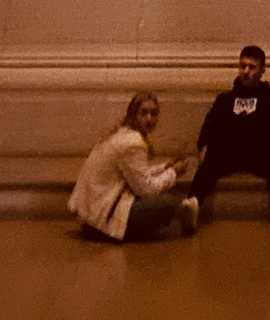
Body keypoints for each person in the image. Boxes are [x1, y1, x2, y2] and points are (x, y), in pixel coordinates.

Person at [192, 44, 270, 235]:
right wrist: (203, 145)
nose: (246, 72)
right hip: (229, 151)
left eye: (252, 67)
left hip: (260, 152)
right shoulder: (225, 100)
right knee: (212, 157)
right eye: (242, 66)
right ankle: (192, 203)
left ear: (262, 71)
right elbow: (210, 125)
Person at [69, 91, 199, 242]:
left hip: (92, 215)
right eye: (143, 113)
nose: (149, 119)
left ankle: (183, 210)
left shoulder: (122, 133)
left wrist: (164, 168)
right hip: (103, 219)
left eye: (153, 113)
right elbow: (145, 189)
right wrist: (173, 173)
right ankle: (182, 212)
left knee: (161, 198)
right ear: (133, 115)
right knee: (165, 204)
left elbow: (135, 174)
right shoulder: (133, 143)